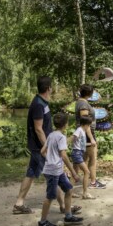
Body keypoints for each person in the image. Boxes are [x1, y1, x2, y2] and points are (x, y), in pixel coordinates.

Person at [12, 76, 81, 215]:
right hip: (40, 148)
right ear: (49, 88)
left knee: (31, 173)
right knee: (54, 174)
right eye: (51, 87)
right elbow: (38, 129)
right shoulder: (38, 104)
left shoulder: (42, 102)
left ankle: (19, 204)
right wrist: (48, 148)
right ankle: (63, 206)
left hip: (38, 147)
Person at [38, 113, 83, 226]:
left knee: (68, 189)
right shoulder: (61, 137)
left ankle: (68, 216)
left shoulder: (51, 135)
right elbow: (63, 155)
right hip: (53, 171)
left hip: (56, 170)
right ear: (66, 124)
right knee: (50, 197)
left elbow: (43, 151)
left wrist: (50, 159)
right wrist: (73, 172)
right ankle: (42, 222)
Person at [75, 84, 106, 189]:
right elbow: (85, 123)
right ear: (90, 93)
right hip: (87, 135)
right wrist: (91, 138)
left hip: (86, 134)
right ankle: (93, 182)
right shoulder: (83, 105)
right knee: (92, 158)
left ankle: (76, 178)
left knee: (84, 158)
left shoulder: (82, 102)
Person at [70, 116, 95, 199]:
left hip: (78, 152)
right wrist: (62, 144)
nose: (89, 127)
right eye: (89, 125)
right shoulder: (79, 130)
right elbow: (72, 138)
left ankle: (70, 192)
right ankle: (85, 193)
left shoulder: (82, 131)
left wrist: (90, 144)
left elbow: (80, 144)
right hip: (77, 153)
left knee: (75, 174)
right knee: (87, 172)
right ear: (86, 124)